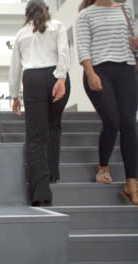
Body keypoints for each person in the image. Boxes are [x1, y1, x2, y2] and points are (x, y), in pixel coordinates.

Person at [9, 0, 70, 207]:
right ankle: (52, 171)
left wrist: (14, 95)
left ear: (26, 14)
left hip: (32, 78)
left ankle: (40, 191)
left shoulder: (20, 34)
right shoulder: (57, 26)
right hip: (55, 75)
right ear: (47, 10)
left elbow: (15, 67)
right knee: (54, 125)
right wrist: (61, 78)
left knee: (36, 135)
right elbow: (63, 52)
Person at [77, 0, 138, 205]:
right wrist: (90, 73)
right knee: (113, 122)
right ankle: (103, 167)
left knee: (129, 123)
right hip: (99, 70)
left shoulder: (126, 9)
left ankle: (131, 183)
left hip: (127, 69)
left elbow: (134, 38)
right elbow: (83, 48)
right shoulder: (86, 15)